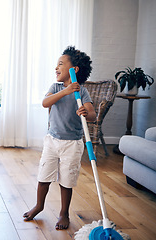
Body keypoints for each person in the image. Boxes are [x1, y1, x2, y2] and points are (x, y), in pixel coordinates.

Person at [23, 46, 96, 230]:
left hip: (72, 144)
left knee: (67, 179)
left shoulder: (82, 92)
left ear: (74, 70)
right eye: (57, 64)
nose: (56, 68)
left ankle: (64, 213)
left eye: (61, 64)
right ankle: (39, 205)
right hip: (52, 140)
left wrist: (85, 112)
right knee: (44, 175)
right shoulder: (55, 87)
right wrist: (65, 91)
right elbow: (45, 102)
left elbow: (93, 115)